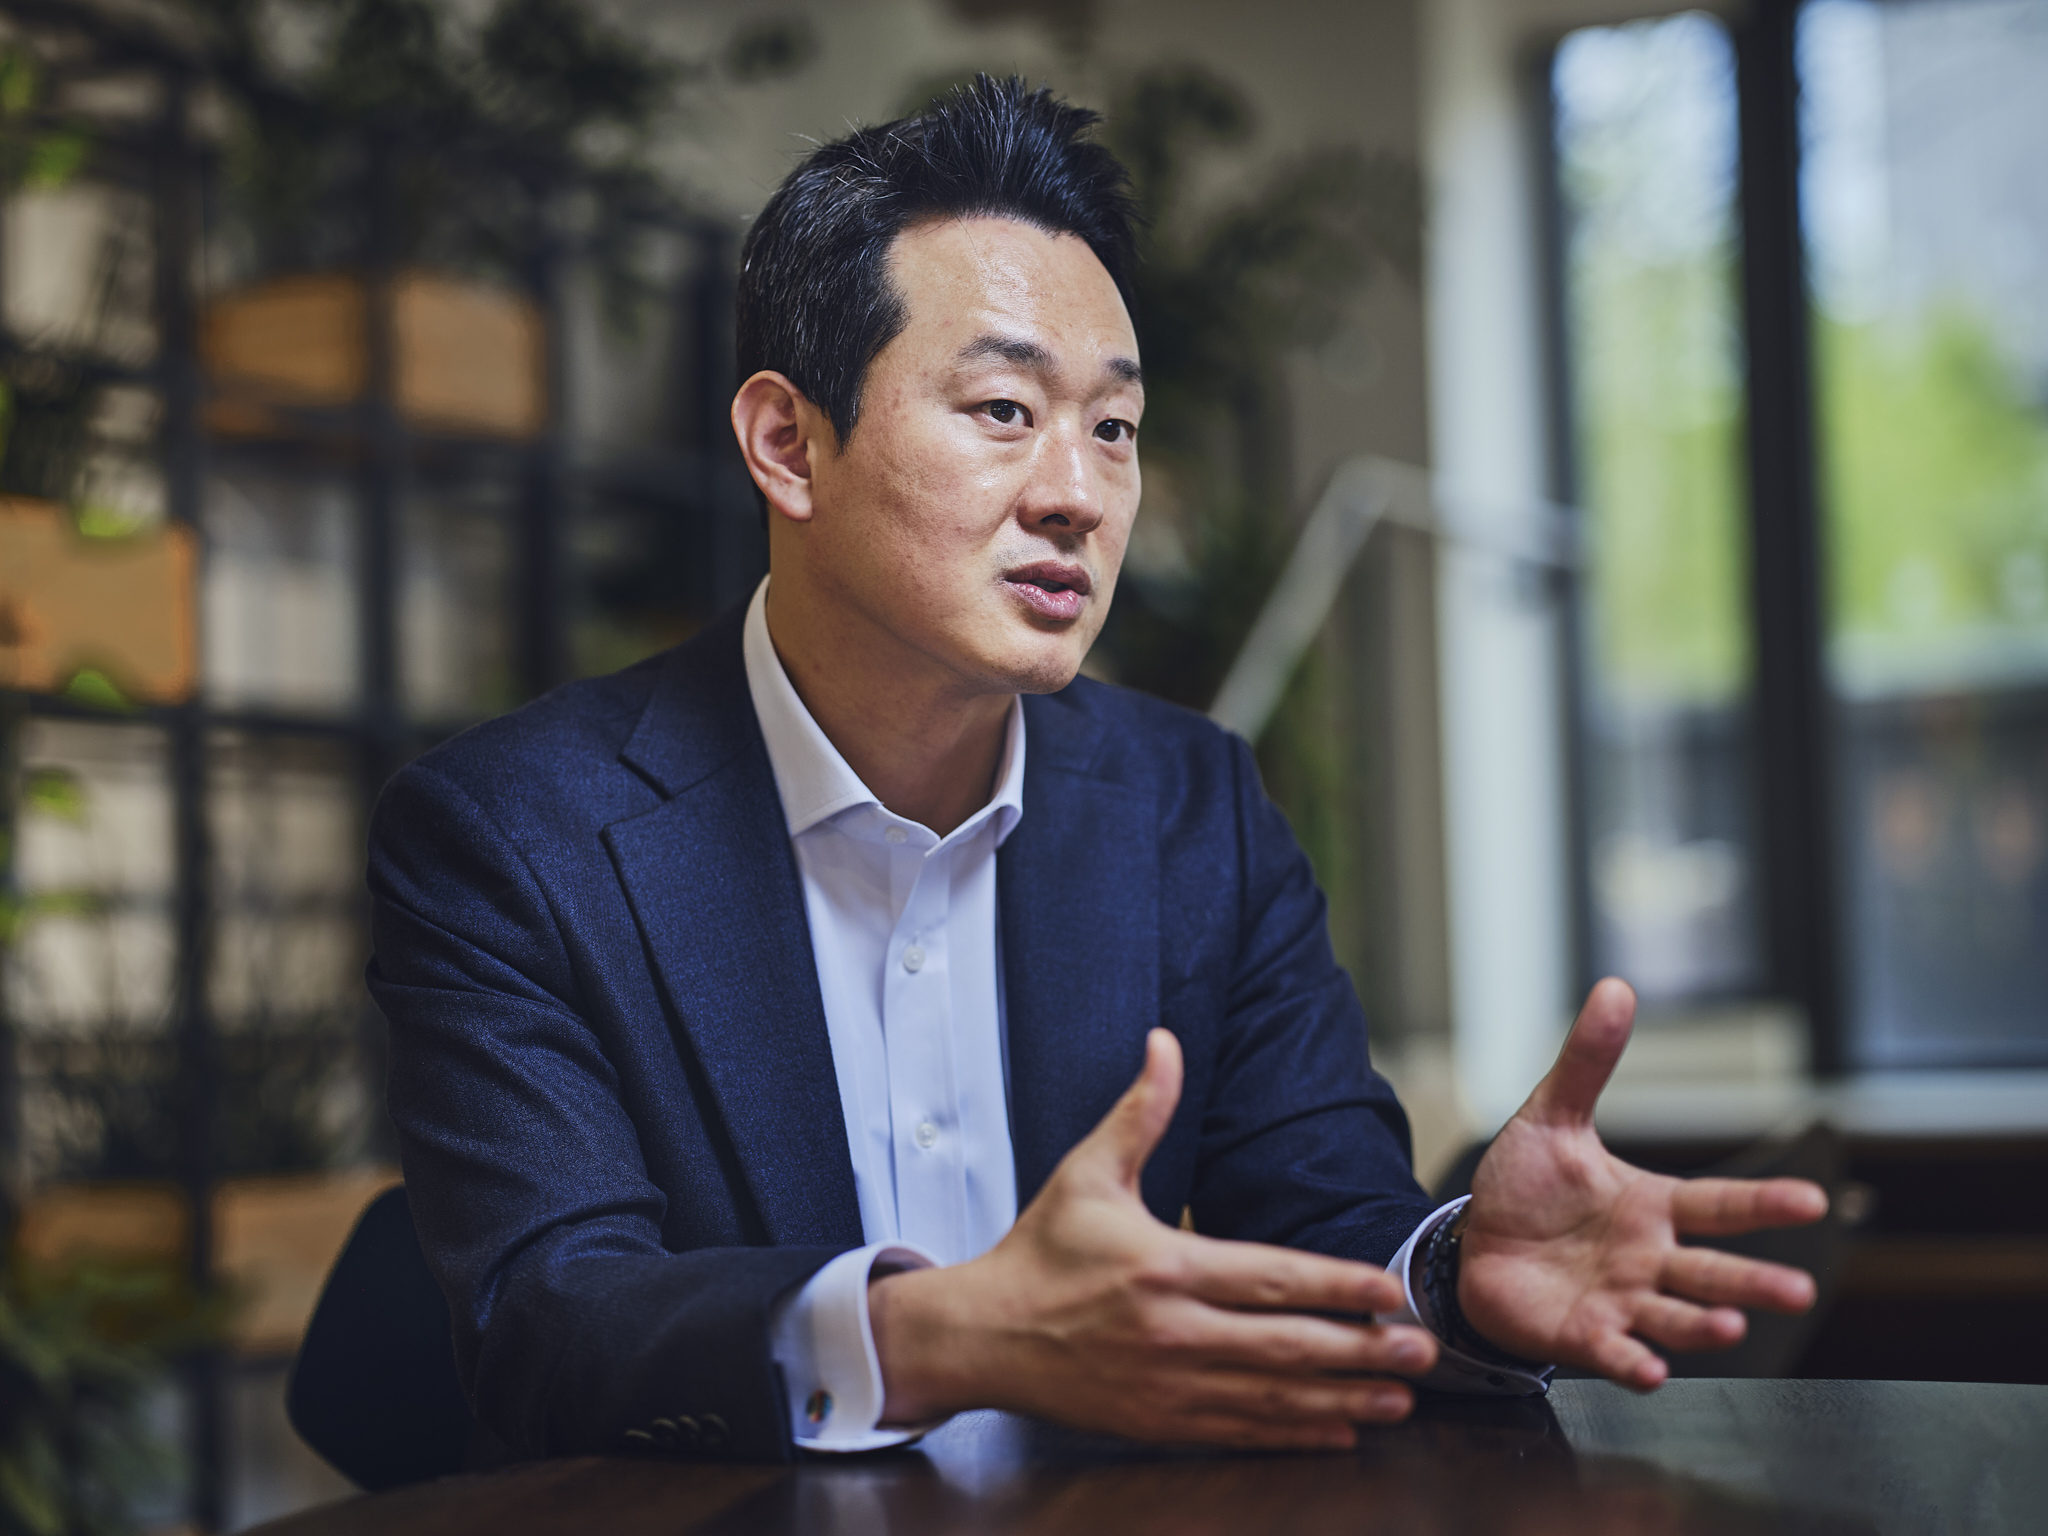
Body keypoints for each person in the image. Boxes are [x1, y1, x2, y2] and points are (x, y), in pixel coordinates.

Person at [367, 75, 1827, 1464]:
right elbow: (548, 1319)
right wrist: (946, 1337)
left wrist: (1450, 1273)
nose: (1077, 494)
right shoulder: (511, 837)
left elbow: (1318, 1222)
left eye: (1114, 428)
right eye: (1004, 410)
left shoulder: (1197, 809)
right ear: (788, 446)